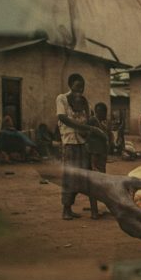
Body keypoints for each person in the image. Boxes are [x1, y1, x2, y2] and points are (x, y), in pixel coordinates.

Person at [57, 73, 107, 220]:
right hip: (70, 143)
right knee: (69, 176)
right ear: (70, 85)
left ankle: (92, 210)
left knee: (85, 177)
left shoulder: (85, 102)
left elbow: (90, 120)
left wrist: (96, 131)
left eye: (82, 87)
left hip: (84, 144)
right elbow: (62, 118)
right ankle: (66, 208)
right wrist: (87, 128)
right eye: (78, 86)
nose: (80, 90)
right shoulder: (62, 99)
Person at [86, 102, 113, 219]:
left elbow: (108, 136)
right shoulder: (93, 121)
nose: (105, 115)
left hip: (101, 156)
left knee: (100, 183)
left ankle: (96, 210)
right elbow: (87, 136)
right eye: (104, 112)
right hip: (95, 156)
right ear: (98, 112)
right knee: (95, 184)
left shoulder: (102, 123)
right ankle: (94, 211)